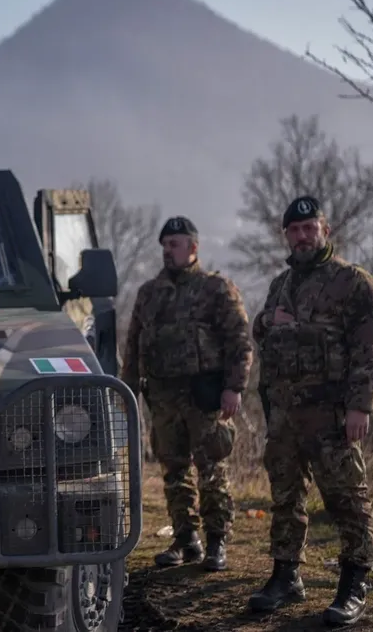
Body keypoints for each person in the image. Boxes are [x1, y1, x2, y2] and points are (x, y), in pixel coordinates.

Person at [248, 196, 373, 627]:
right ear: (286, 236)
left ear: (325, 229)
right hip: (286, 413)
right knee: (286, 497)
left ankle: (354, 582)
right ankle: (286, 575)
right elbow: (260, 327)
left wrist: (359, 407)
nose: (303, 236)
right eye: (294, 230)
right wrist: (271, 320)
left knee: (346, 497)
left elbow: (370, 350)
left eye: (310, 228)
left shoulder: (354, 282)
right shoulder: (281, 284)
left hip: (332, 412)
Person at [121, 216, 253, 572]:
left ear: (194, 247)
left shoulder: (216, 289)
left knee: (211, 469)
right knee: (174, 470)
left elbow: (239, 341)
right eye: (164, 245)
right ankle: (185, 538)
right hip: (162, 396)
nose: (168, 251)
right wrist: (127, 390)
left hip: (204, 394)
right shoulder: (150, 293)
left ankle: (216, 541)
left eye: (175, 244)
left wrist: (233, 387)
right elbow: (133, 345)